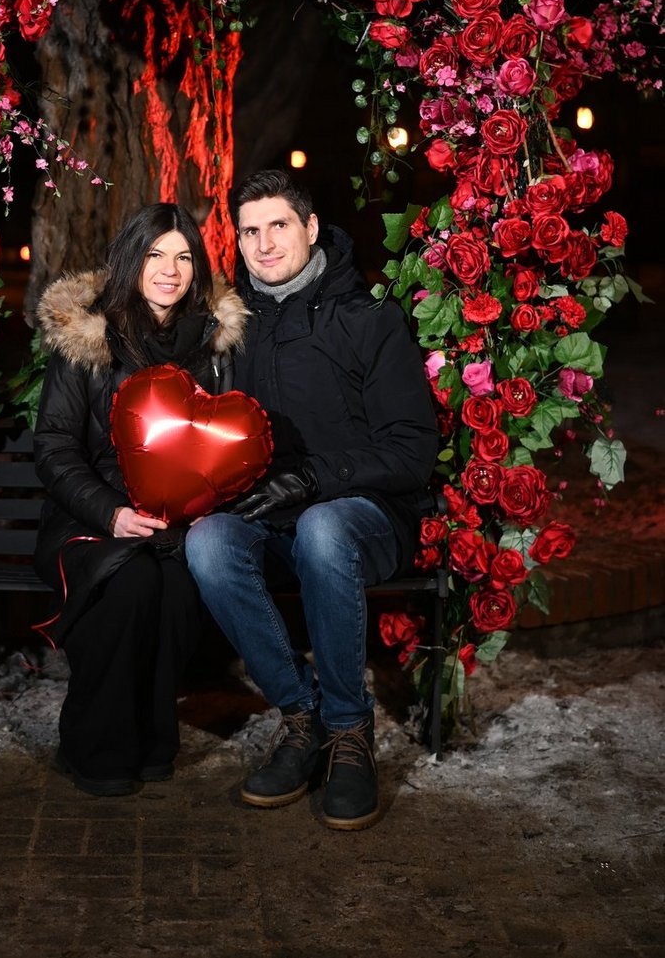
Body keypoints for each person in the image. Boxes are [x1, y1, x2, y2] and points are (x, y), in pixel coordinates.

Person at [184, 169, 438, 830]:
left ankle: (350, 731)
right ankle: (302, 719)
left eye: (279, 225)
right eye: (250, 230)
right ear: (236, 240)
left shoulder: (369, 318)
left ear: (311, 227)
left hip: (364, 516)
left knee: (325, 528)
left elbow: (412, 448)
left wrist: (319, 477)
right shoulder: (231, 329)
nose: (265, 243)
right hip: (274, 518)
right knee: (207, 541)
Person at [32, 202, 248, 797]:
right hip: (92, 518)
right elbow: (53, 445)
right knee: (129, 585)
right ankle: (97, 746)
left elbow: (226, 443)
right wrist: (112, 512)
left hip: (178, 521)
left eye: (183, 257)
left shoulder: (212, 343)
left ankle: (153, 741)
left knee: (176, 589)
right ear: (133, 258)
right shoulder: (91, 336)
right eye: (156, 254)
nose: (170, 270)